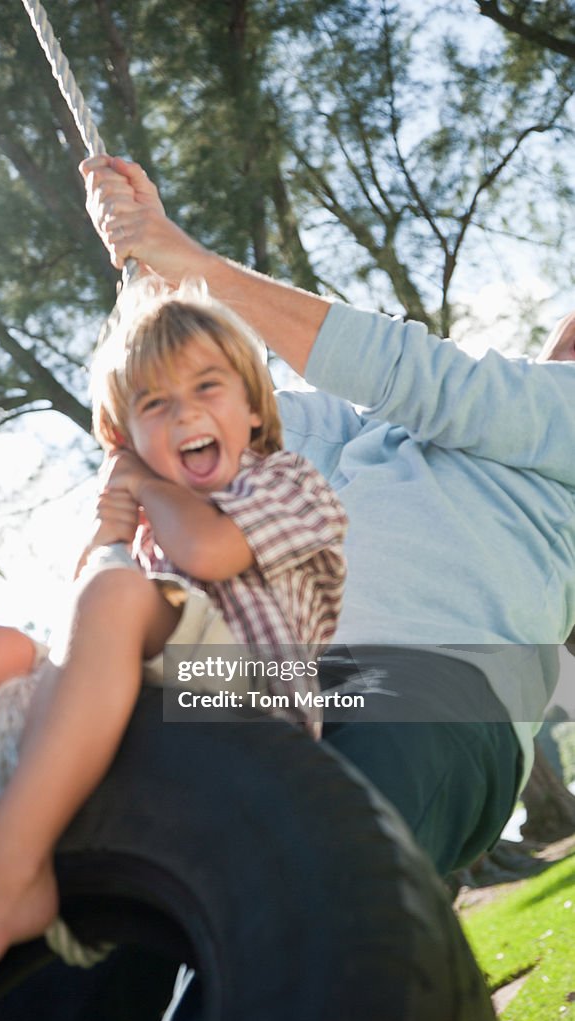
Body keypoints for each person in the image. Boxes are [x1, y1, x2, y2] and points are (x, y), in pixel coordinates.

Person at [80, 154, 575, 880]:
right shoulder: (400, 435)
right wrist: (156, 284)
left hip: (430, 683)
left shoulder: (539, 420)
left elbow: (416, 373)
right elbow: (247, 427)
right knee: (117, 860)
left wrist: (184, 257)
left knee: (312, 893)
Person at [0, 279, 346, 1021]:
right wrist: (110, 527)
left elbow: (207, 550)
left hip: (242, 706)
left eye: (207, 386)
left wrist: (142, 489)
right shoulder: (144, 527)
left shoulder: (285, 481)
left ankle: (6, 873)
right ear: (125, 435)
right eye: (155, 404)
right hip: (130, 712)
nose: (187, 412)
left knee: (114, 598)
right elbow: (84, 606)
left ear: (255, 410)